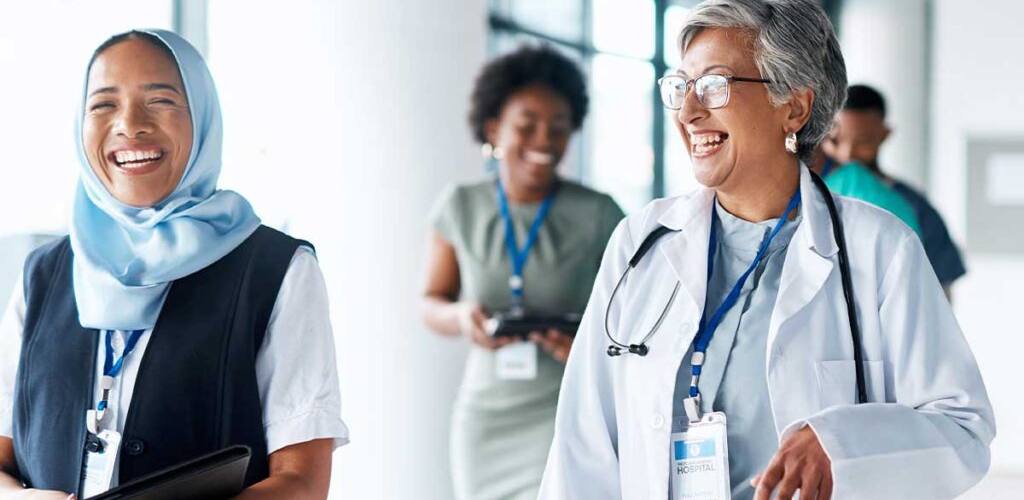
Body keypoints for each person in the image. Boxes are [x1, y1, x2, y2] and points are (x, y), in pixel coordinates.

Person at [540, 0, 994, 500]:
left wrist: (841, 442)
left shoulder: (879, 249)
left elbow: (962, 431)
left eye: (713, 85)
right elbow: (583, 443)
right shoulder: (641, 241)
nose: (688, 111)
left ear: (794, 107)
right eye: (681, 86)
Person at [0, 29, 348, 499]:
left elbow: (302, 481)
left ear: (203, 118)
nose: (130, 124)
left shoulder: (277, 269)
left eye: (160, 100)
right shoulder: (42, 275)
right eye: (103, 104)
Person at [420, 45, 623, 499]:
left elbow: (634, 320)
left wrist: (590, 349)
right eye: (527, 125)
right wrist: (461, 317)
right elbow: (430, 302)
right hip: (485, 420)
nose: (545, 140)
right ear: (494, 129)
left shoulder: (599, 214)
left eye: (558, 128)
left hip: (565, 413)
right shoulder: (460, 206)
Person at [829, 84, 967, 294]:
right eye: (837, 140)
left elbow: (940, 293)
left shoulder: (912, 207)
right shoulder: (808, 195)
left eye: (863, 142)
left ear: (884, 135)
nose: (848, 154)